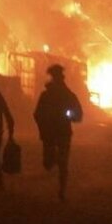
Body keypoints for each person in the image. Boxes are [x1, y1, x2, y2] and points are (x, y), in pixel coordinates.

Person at [33, 64, 83, 202]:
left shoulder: (67, 95)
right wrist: (43, 128)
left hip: (61, 133)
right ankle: (56, 161)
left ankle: (62, 191)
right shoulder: (49, 95)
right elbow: (37, 114)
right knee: (49, 163)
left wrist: (70, 116)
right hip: (51, 133)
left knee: (62, 164)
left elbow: (78, 115)